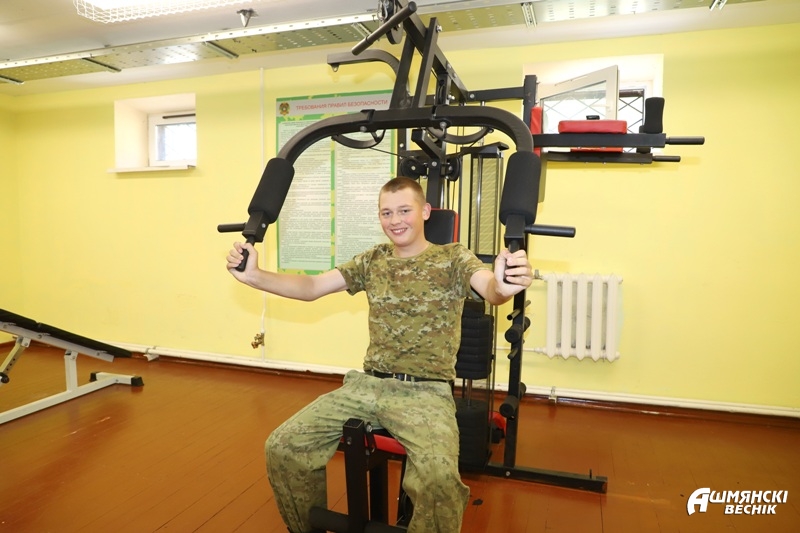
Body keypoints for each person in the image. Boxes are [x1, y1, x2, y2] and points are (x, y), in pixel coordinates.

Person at [227, 176, 533, 533]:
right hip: (367, 385)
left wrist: (504, 285)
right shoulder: (373, 259)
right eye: (386, 213)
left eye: (404, 210)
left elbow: (491, 289)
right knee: (283, 446)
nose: (395, 220)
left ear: (425, 211)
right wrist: (254, 276)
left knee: (439, 479)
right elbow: (312, 286)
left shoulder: (452, 258)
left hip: (426, 391)